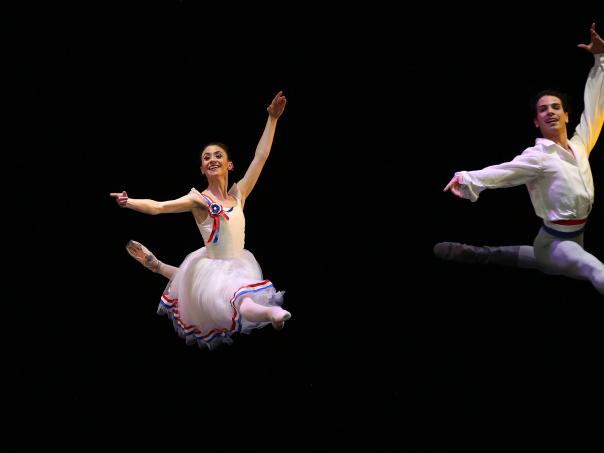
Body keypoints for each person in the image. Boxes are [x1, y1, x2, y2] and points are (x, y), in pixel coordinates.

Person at [110, 91, 291, 349]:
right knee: (240, 300)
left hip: (239, 263)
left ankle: (156, 265)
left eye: (218, 156)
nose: (212, 159)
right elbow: (159, 207)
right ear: (202, 169)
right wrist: (130, 202)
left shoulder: (238, 194)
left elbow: (260, 157)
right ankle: (271, 313)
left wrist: (272, 119)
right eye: (207, 158)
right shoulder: (199, 200)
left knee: (208, 285)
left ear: (229, 165)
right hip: (216, 267)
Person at [434, 23, 604, 294]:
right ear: (536, 121)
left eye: (556, 107)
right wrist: (466, 178)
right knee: (595, 270)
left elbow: (595, 109)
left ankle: (484, 253)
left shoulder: (580, 145)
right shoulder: (538, 157)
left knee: (546, 264)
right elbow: (504, 172)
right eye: (543, 110)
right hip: (556, 243)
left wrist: (600, 59)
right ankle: (483, 254)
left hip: (572, 236)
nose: (550, 112)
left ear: (566, 115)